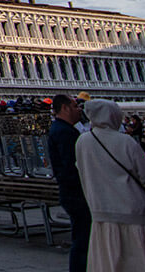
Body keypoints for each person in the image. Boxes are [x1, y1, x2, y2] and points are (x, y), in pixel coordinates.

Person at [75, 99, 145, 271]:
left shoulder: (82, 141)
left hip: (101, 212)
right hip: (132, 210)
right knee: (139, 259)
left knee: (109, 261)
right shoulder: (126, 141)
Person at [49, 94, 91, 272]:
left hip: (70, 191)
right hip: (76, 193)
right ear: (65, 108)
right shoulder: (65, 132)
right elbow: (71, 165)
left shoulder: (60, 129)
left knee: (82, 237)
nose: (79, 110)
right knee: (83, 239)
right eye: (75, 106)